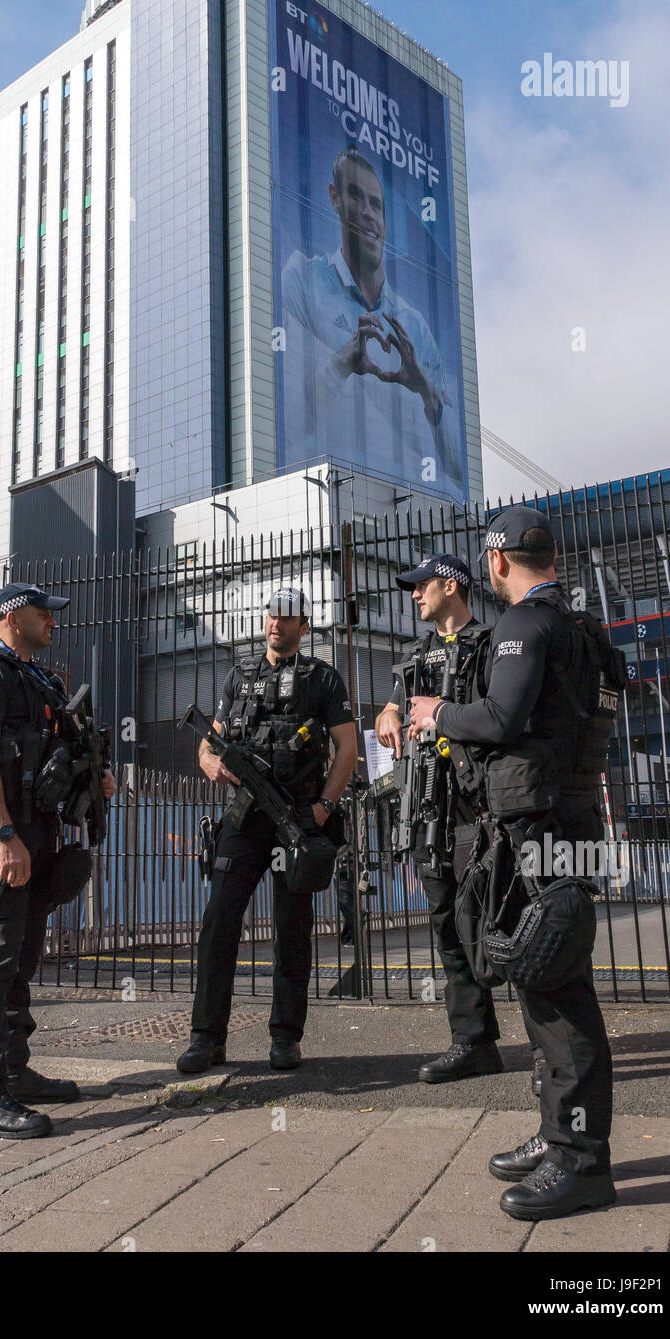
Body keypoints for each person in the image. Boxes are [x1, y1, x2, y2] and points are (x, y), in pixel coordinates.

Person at [410, 507, 620, 1220]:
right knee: (545, 982)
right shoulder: (584, 630)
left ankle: (581, 1163)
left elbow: (497, 719)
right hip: (570, 822)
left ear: (497, 563)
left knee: (559, 1000)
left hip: (540, 832)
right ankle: (559, 1134)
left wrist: (437, 712)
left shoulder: (524, 626)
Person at [0, 583, 117, 1139]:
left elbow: (57, 758)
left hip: (41, 841)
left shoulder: (41, 679)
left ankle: (15, 1074)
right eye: (44, 613)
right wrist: (3, 835)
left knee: (22, 959)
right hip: (7, 844)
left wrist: (95, 777)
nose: (53, 621)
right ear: (12, 616)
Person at [177, 587, 357, 1074]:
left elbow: (347, 749)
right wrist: (210, 763)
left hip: (296, 817)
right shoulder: (241, 675)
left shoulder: (323, 678)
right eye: (271, 615)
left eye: (287, 617)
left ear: (304, 625)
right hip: (243, 818)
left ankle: (285, 1036)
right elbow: (208, 742)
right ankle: (207, 1038)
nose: (277, 623)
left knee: (291, 928)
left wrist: (323, 807)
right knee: (219, 921)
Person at [375, 553, 502, 1083]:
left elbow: (504, 716)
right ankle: (473, 1042)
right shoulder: (418, 657)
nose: (413, 594)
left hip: (479, 809)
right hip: (430, 807)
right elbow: (396, 706)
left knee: (503, 923)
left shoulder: (493, 645)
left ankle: (551, 1050)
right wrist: (387, 713)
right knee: (448, 926)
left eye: (421, 585)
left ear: (451, 586)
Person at [280, 146, 463, 490]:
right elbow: (284, 423)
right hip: (318, 497)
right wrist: (341, 364)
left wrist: (427, 393)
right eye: (355, 196)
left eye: (376, 205)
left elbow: (457, 472)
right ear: (334, 198)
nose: (368, 213)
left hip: (407, 512)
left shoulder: (417, 329)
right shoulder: (301, 280)